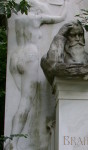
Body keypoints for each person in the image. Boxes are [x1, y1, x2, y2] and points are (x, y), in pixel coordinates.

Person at [6, 1, 67, 149]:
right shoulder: (36, 18)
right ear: (37, 10)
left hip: (15, 58)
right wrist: (66, 4)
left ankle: (11, 138)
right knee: (26, 101)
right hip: (29, 55)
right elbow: (61, 17)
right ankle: (13, 141)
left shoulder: (18, 19)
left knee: (23, 99)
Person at [41, 21, 88, 86]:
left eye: (80, 35)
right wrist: (59, 36)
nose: (78, 39)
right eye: (73, 35)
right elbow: (53, 68)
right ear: (65, 38)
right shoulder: (48, 59)